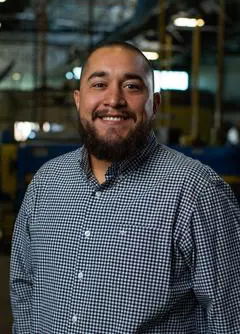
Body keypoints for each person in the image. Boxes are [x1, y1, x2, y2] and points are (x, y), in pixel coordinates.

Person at [10, 41, 240, 333]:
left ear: (154, 104)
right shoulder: (46, 183)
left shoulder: (197, 191)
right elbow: (24, 285)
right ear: (79, 100)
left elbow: (230, 317)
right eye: (99, 84)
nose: (114, 99)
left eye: (132, 86)